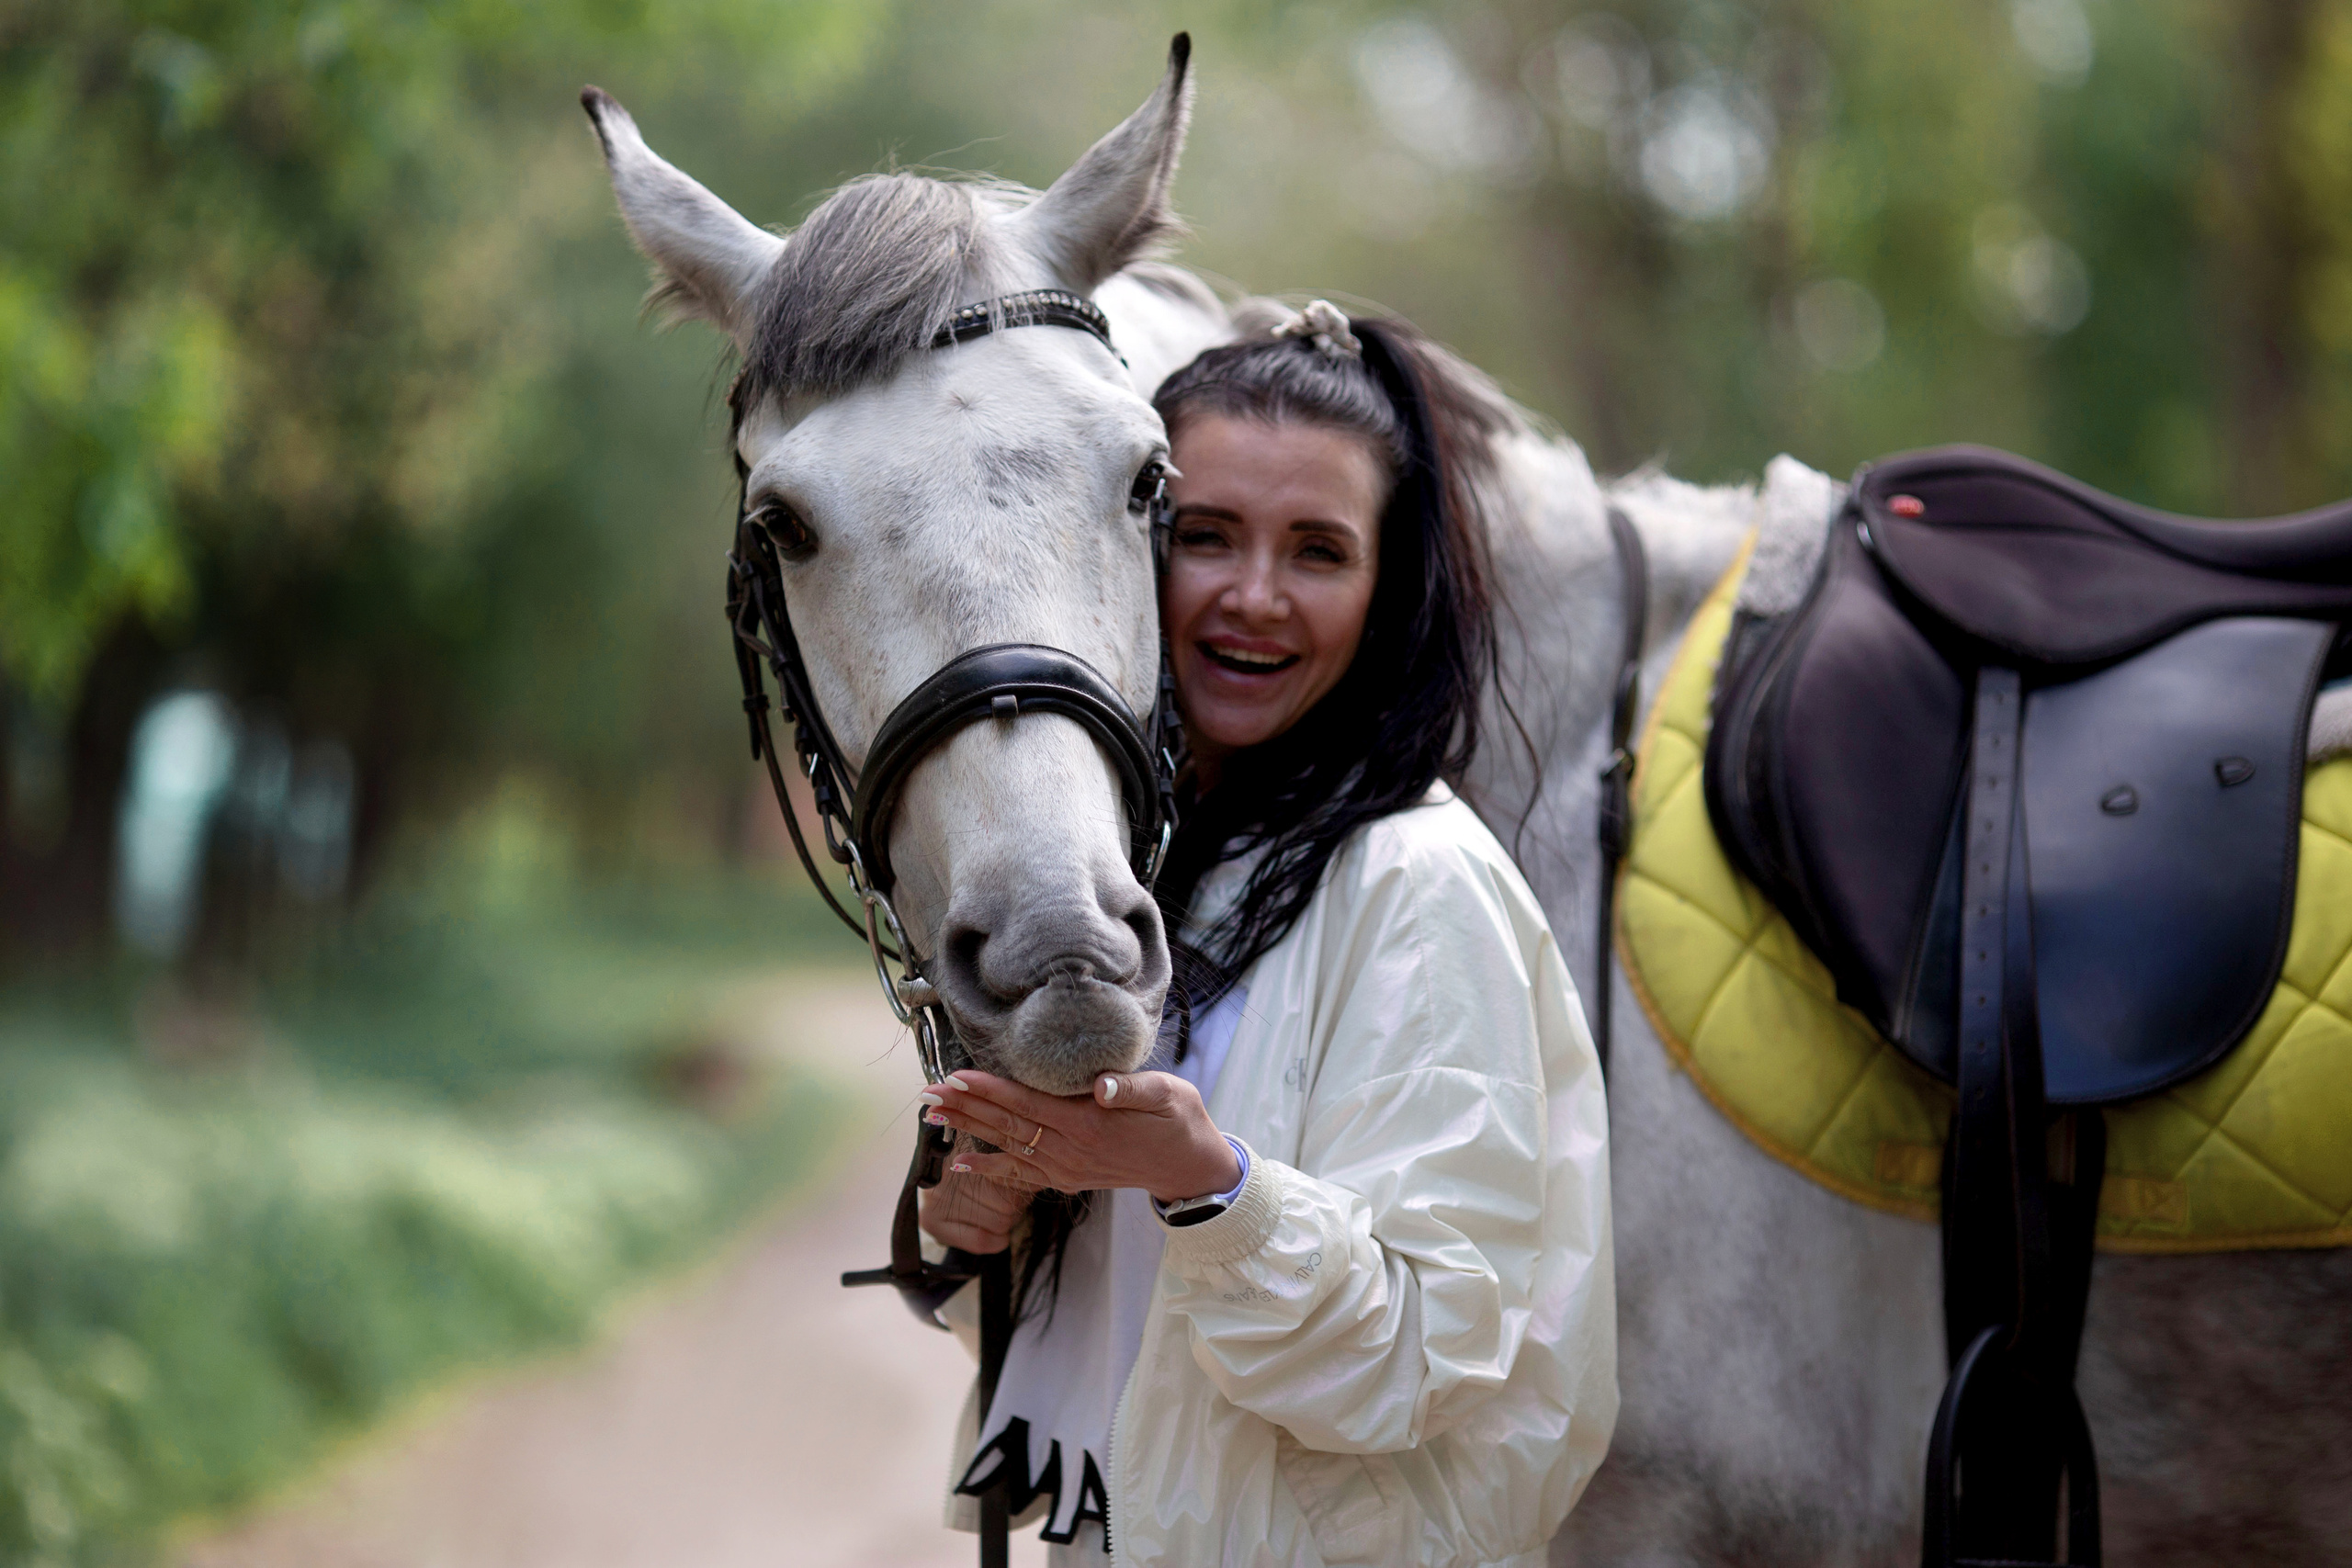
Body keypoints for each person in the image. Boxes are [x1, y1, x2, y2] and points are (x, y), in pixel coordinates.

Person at [915, 301, 1616, 1567]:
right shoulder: (1133, 867)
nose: (1253, 598)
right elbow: (1130, 1345)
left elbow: (1420, 1358)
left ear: (1384, 587)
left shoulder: (1421, 883)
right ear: (1131, 550)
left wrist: (1209, 1184)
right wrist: (990, 1220)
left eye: (1318, 552)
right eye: (1206, 537)